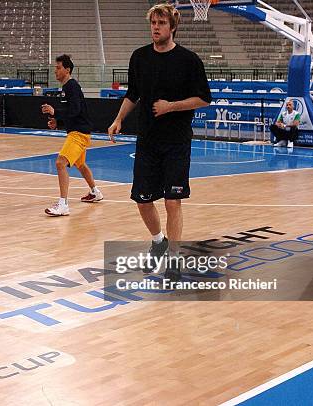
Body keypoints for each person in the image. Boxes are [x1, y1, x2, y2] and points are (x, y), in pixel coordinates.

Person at [107, 2, 211, 281]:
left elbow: (203, 99)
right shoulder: (139, 57)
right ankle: (158, 241)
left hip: (176, 142)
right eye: (153, 23)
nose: (156, 27)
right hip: (148, 141)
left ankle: (174, 259)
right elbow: (133, 93)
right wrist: (118, 119)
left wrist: (171, 106)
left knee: (172, 201)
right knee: (142, 200)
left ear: (173, 26)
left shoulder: (189, 60)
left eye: (161, 23)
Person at [41, 54, 103, 217]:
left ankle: (63, 205)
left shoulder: (71, 86)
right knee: (81, 165)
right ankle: (95, 192)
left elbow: (75, 110)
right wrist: (57, 121)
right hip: (78, 131)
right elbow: (74, 113)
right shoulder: (67, 87)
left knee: (60, 163)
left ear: (67, 70)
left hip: (79, 134)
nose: (55, 70)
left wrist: (56, 112)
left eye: (58, 67)